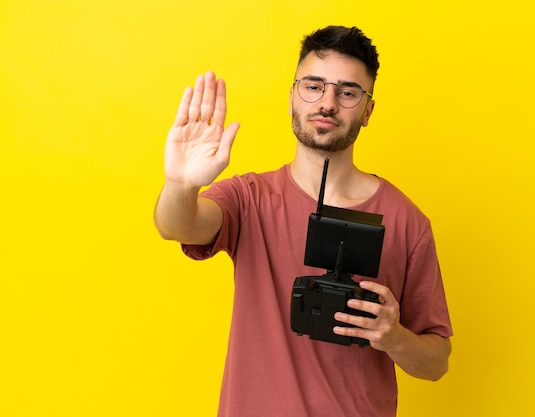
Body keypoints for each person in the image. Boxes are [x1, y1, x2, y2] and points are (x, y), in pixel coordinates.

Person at [154, 25, 452, 417]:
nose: (327, 102)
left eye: (347, 92)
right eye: (313, 86)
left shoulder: (407, 222)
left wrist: (394, 337)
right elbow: (177, 226)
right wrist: (180, 184)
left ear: (367, 111)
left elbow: (436, 362)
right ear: (292, 97)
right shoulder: (250, 198)